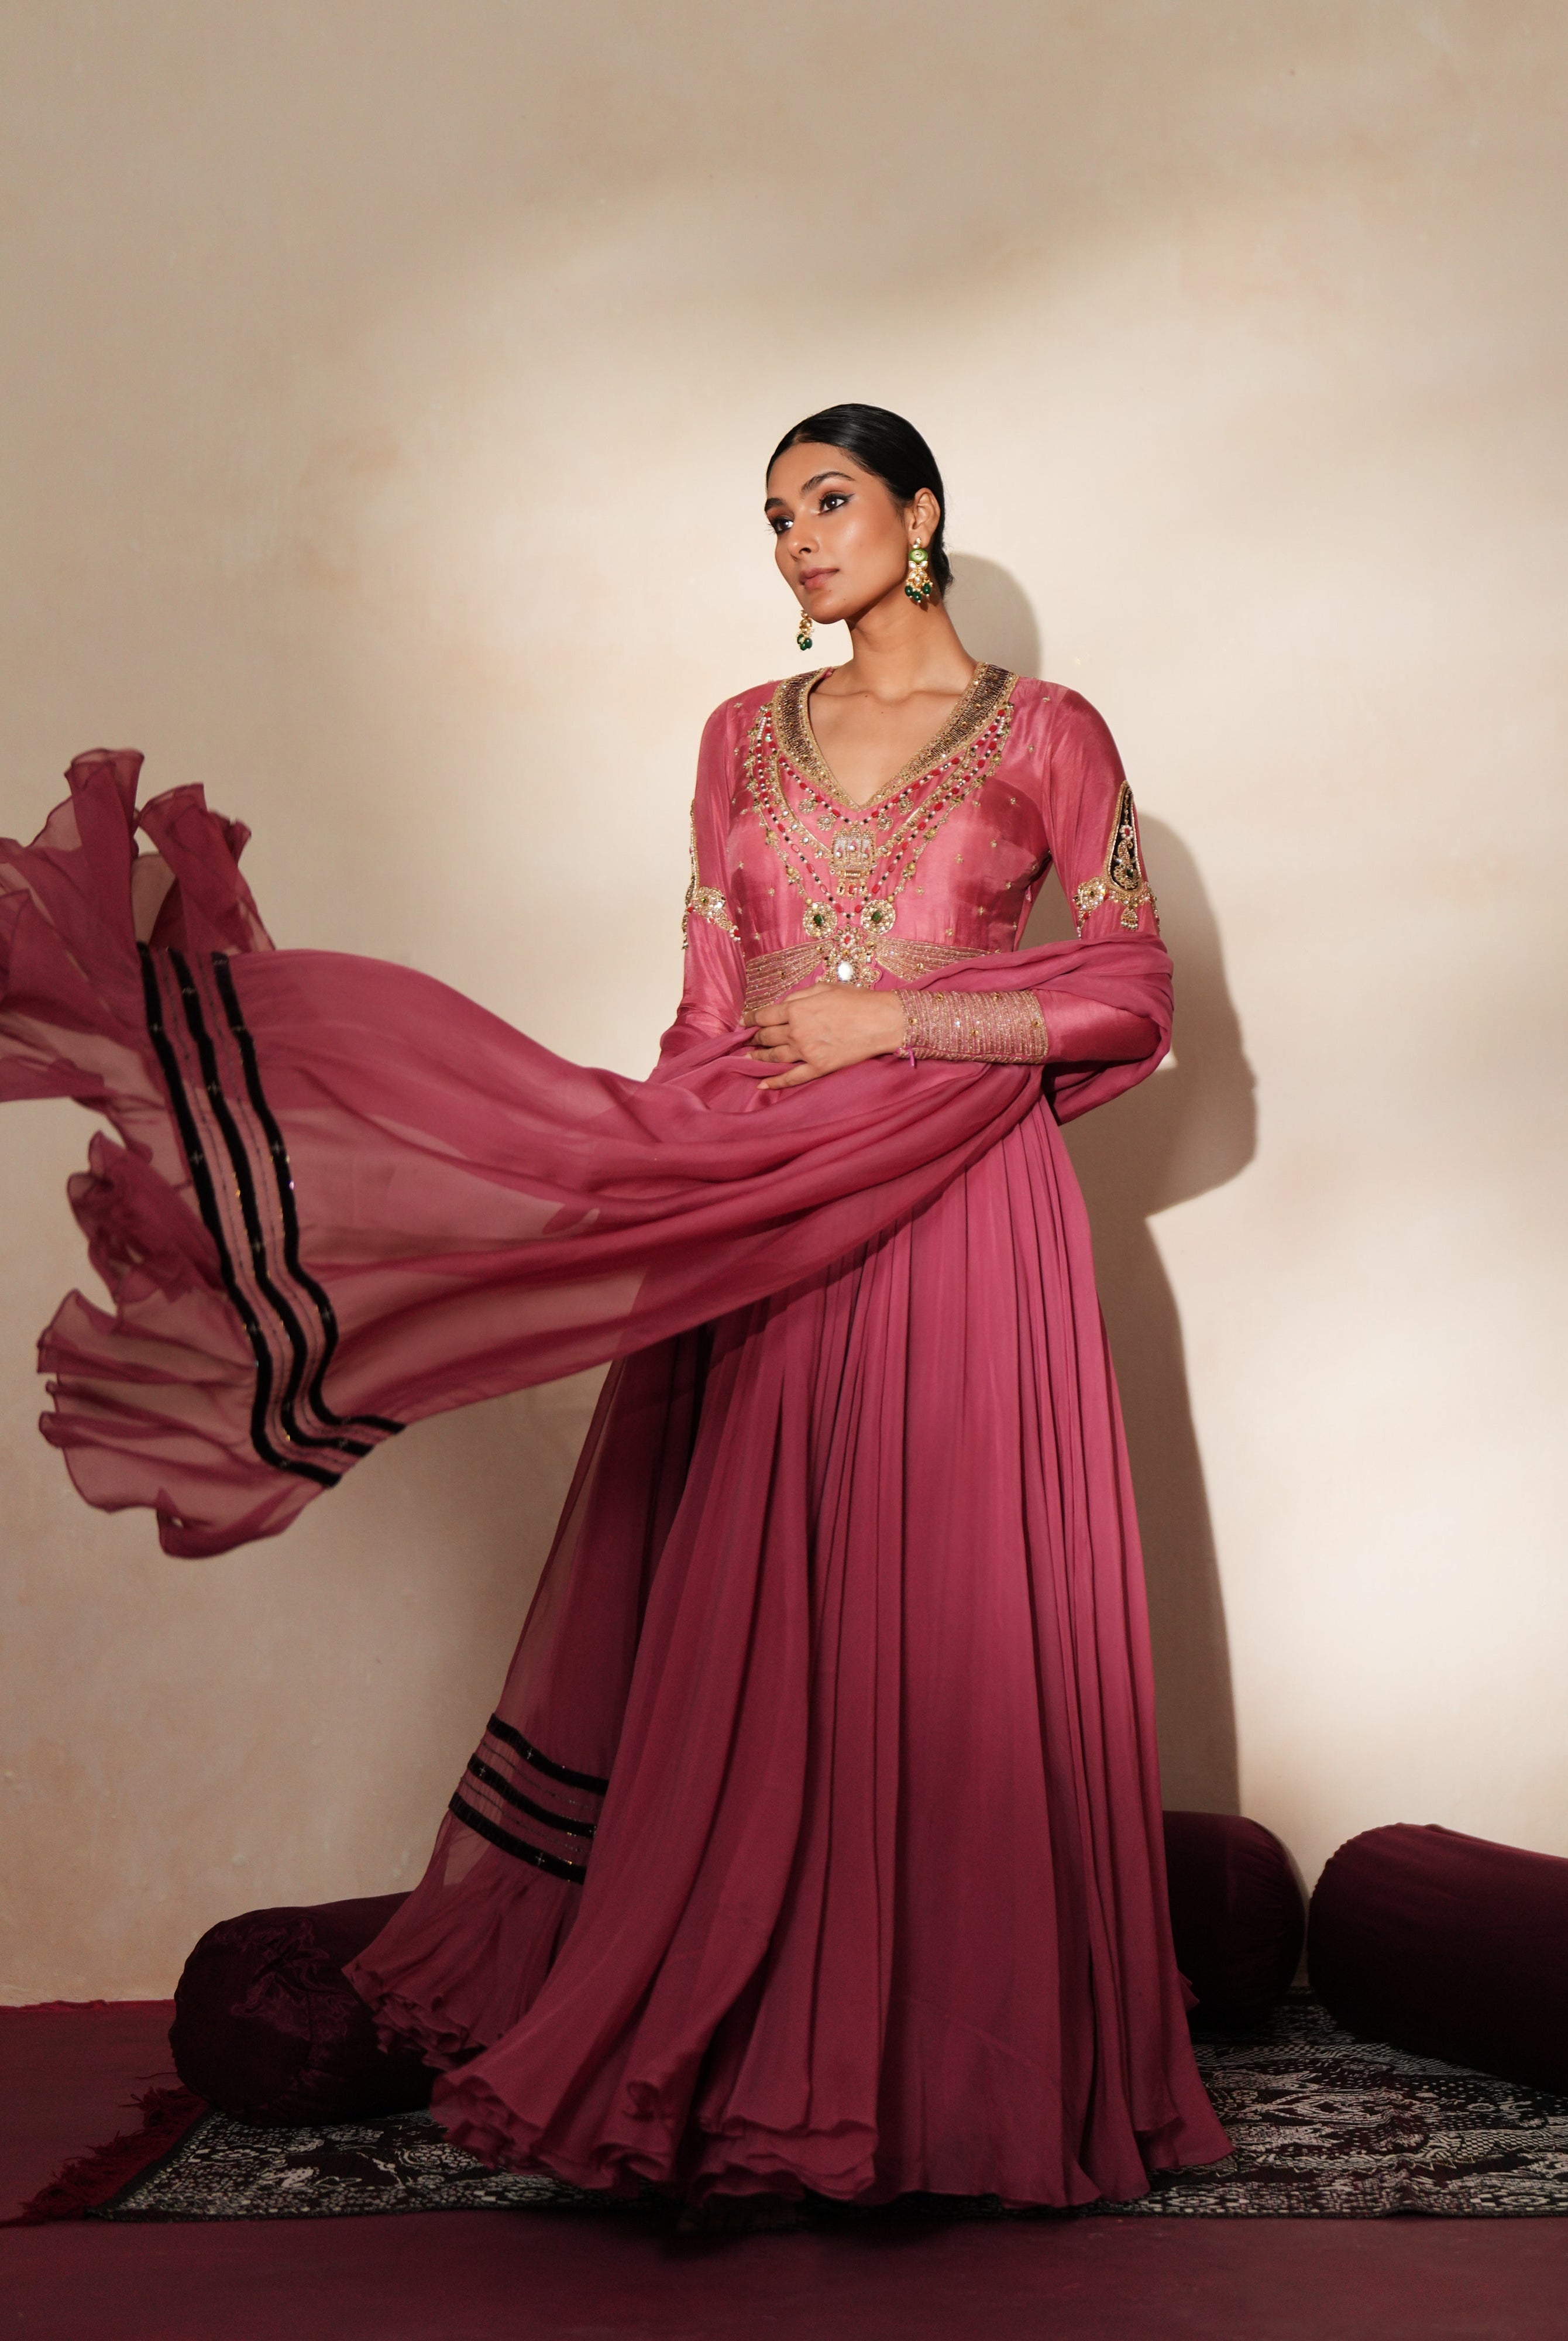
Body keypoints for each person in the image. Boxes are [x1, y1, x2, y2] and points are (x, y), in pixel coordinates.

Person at [0, 403, 1227, 2216]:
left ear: (922, 513)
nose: (799, 539)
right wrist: (642, 1180)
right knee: (762, 1612)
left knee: (953, 1613)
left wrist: (900, 1021)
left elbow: (1129, 988)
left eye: (831, 502)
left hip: (970, 1222)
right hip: (755, 1203)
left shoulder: (1050, 736)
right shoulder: (741, 736)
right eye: (774, 516)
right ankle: (745, 2040)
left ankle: (962, 2066)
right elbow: (708, 1001)